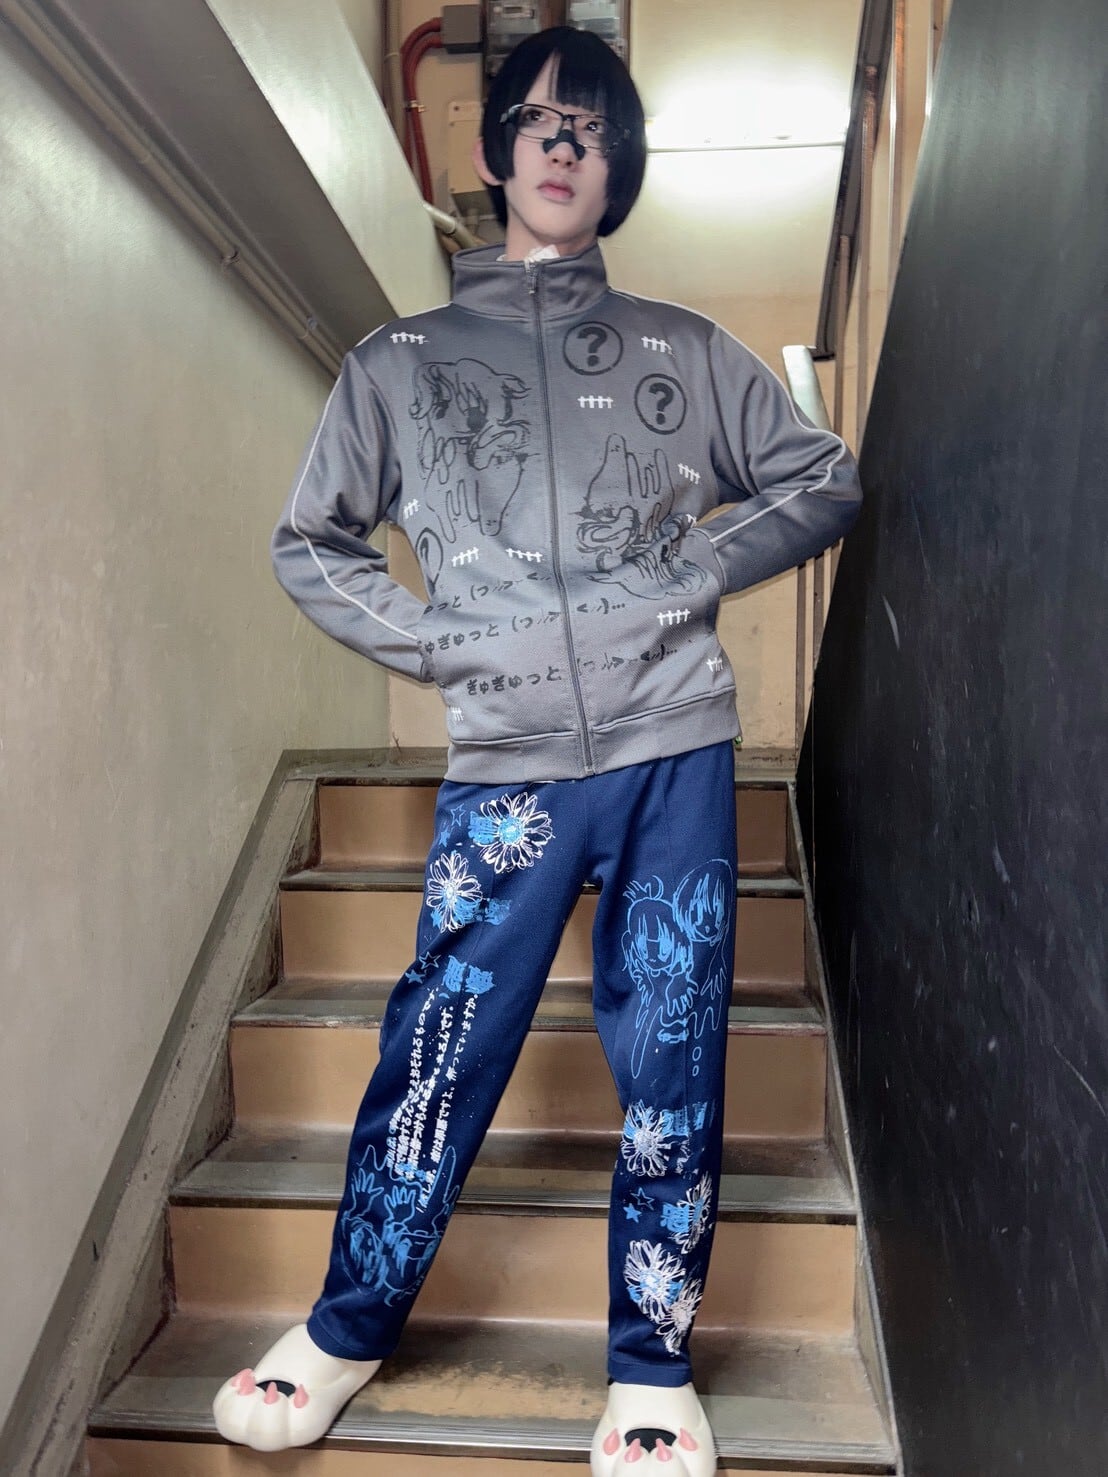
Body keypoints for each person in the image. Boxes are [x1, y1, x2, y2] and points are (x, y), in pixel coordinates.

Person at [212, 25, 861, 1472]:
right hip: (505, 767)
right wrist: (437, 644)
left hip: (673, 754)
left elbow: (823, 477)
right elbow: (312, 542)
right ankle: (347, 1326)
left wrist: (690, 572)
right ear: (495, 147)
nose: (568, 146)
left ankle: (651, 1367)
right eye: (543, 120)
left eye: (597, 128)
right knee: (441, 1043)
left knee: (674, 1051)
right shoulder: (399, 364)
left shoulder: (683, 350)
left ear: (620, 168)